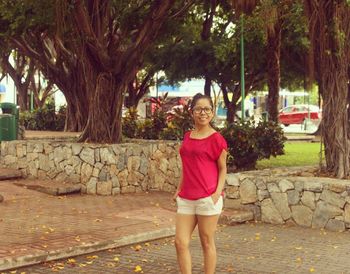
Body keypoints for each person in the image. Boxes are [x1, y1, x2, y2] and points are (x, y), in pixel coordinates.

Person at [173, 93, 228, 274]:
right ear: (192, 112)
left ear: (212, 113)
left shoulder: (217, 139)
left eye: (207, 109)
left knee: (206, 242)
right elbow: (186, 165)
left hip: (207, 198)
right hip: (186, 198)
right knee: (180, 242)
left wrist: (216, 194)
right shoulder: (188, 136)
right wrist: (179, 188)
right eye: (198, 109)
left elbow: (222, 169)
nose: (202, 112)